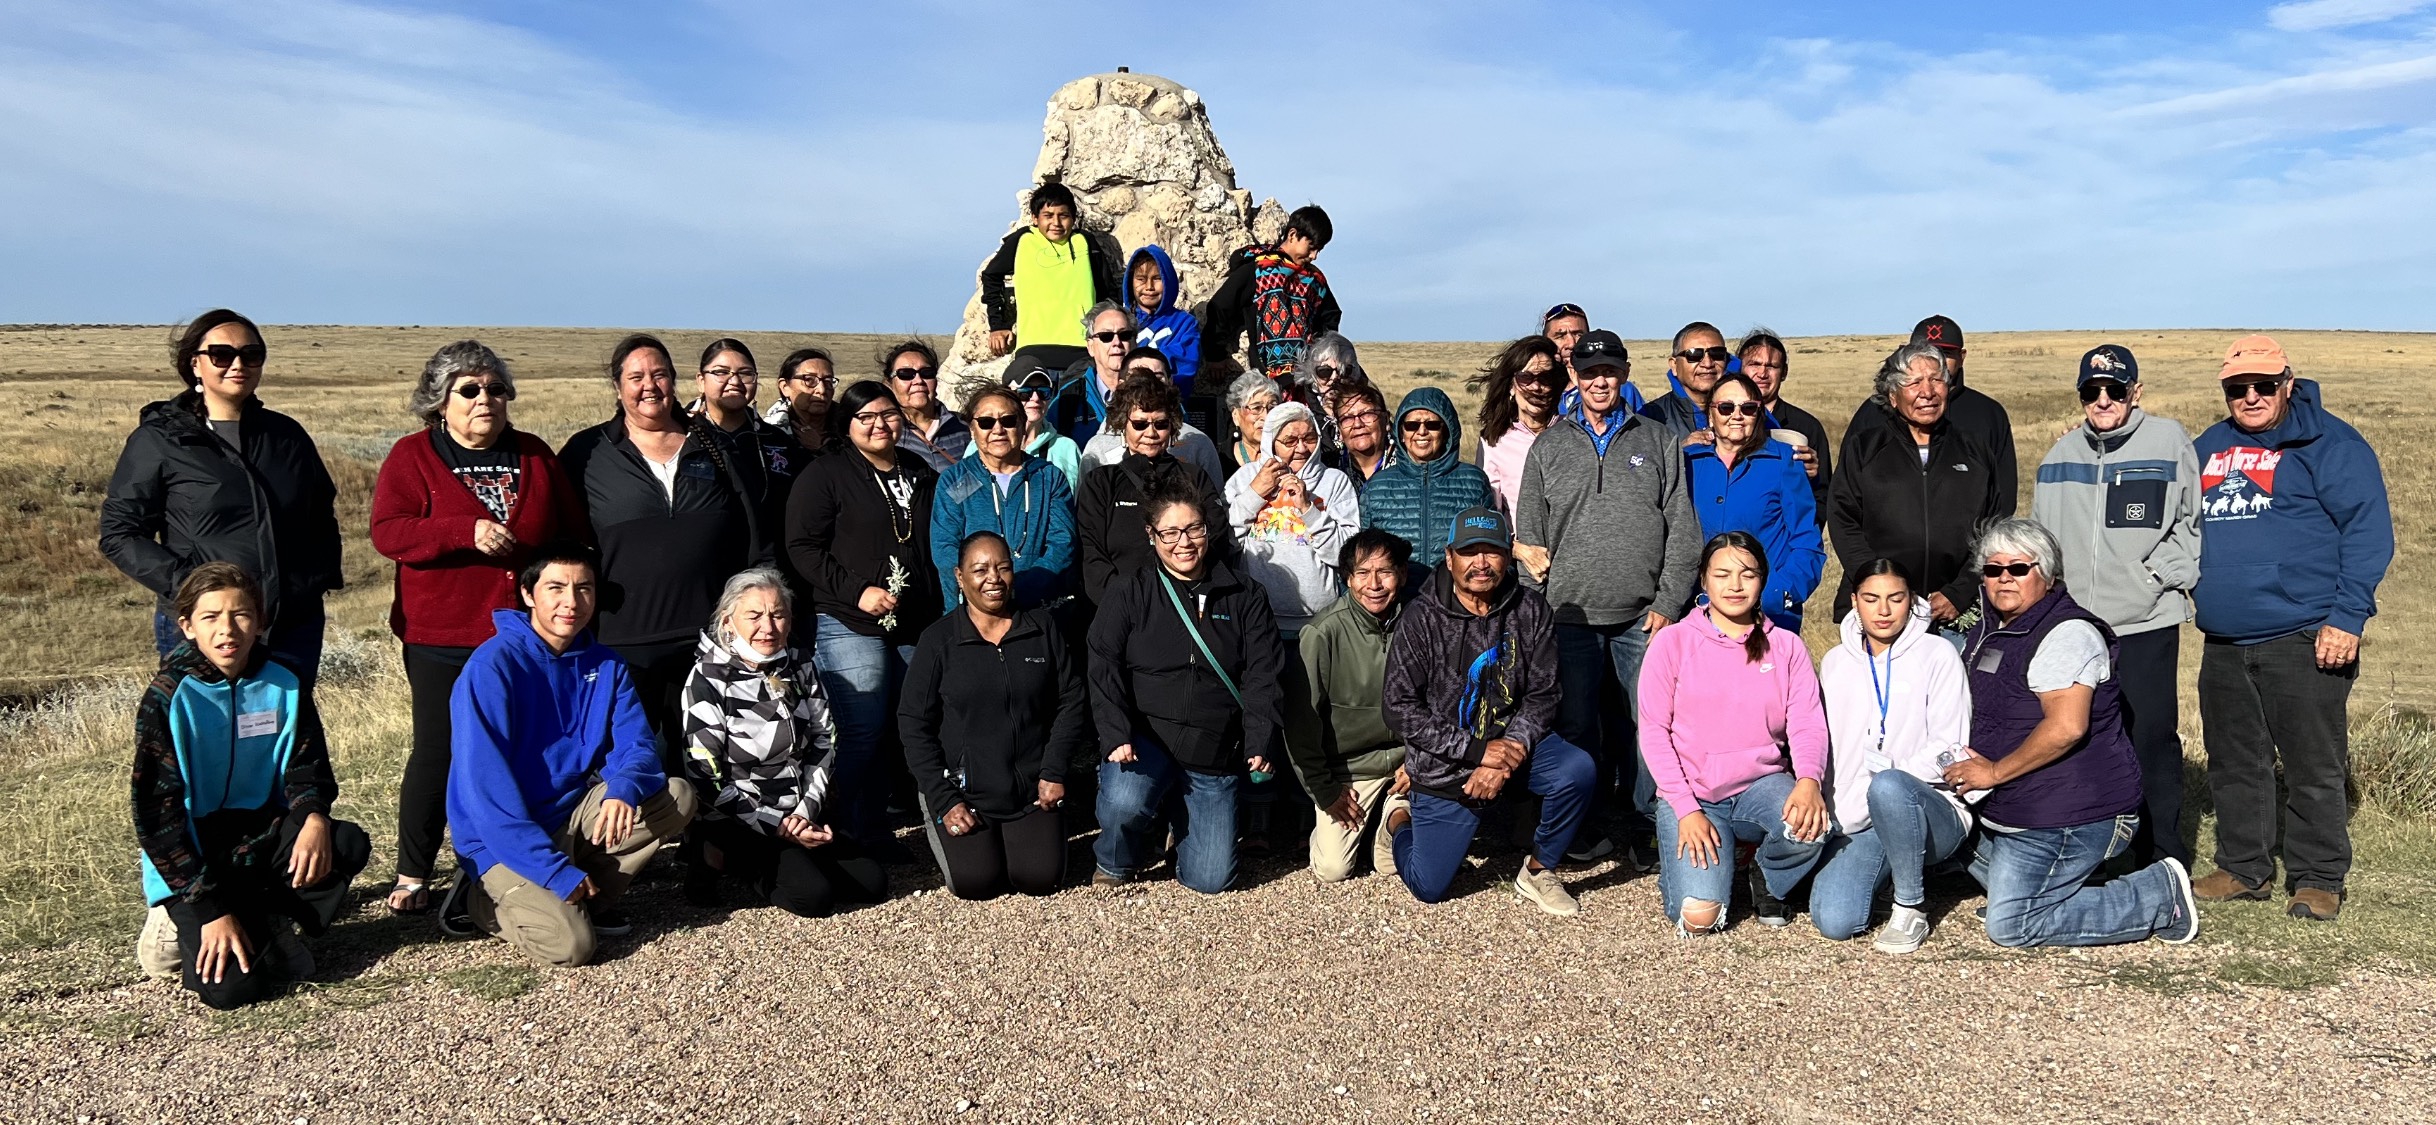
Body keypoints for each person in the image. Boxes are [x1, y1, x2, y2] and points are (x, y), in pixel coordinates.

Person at [370, 339, 584, 917]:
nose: (484, 399)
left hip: (522, 636)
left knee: (522, 749)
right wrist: (463, 530)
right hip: (443, 634)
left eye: (495, 389)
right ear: (440, 402)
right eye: (469, 390)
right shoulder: (413, 456)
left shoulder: (536, 456)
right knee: (439, 749)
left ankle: (514, 860)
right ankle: (414, 871)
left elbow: (571, 531)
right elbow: (389, 531)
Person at [2190, 335, 2393, 921]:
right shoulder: (2209, 446)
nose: (2249, 398)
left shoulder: (2332, 443)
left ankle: (2318, 877)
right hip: (2225, 638)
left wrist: (2347, 618)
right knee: (2235, 759)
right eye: (2236, 388)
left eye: (2261, 386)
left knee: (2312, 761)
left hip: (2306, 632)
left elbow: (2368, 532)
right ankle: (2244, 868)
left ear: (2287, 382)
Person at [1945, 519, 2199, 947]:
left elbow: (2066, 727)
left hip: (2074, 814)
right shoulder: (1989, 630)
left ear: (2047, 575)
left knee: (2012, 926)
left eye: (2019, 568)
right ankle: (2038, 892)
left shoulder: (2067, 635)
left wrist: (1992, 773)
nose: (2004, 577)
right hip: (2016, 806)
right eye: (1992, 569)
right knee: (1939, 826)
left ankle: (2159, 894)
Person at [446, 542, 700, 968]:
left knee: (676, 795)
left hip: (569, 815)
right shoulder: (492, 666)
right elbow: (485, 792)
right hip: (502, 836)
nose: (571, 601)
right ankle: (482, 901)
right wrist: (553, 871)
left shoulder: (607, 664)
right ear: (528, 594)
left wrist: (622, 787)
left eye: (584, 588)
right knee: (572, 948)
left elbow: (636, 745)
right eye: (556, 587)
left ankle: (585, 900)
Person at [132, 563, 370, 1009]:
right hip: (196, 855)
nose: (228, 630)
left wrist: (314, 816)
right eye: (210, 617)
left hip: (259, 835)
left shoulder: (284, 683)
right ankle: (173, 924)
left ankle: (267, 921)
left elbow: (308, 769)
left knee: (345, 842)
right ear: (187, 626)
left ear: (260, 621)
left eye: (241, 615)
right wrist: (209, 911)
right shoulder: (167, 696)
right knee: (235, 992)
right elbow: (156, 814)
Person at [1512, 327, 1702, 870]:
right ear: (1574, 375)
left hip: (1642, 619)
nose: (1599, 380)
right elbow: (1530, 538)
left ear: (1623, 375)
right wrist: (1538, 608)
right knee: (1575, 727)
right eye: (1589, 371)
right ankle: (1581, 826)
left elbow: (1682, 529)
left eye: (1610, 371)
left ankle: (1648, 825)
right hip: (1568, 617)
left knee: (1649, 726)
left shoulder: (1657, 440)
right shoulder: (1549, 446)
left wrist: (1668, 602)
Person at [101, 309, 343, 688]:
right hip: (208, 626)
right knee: (206, 735)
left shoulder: (286, 436)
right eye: (221, 355)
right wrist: (191, 586)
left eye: (251, 354)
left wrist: (310, 583)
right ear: (195, 365)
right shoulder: (161, 440)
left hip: (290, 624)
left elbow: (320, 515)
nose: (237, 365)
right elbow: (120, 533)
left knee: (287, 736)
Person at [558, 334, 766, 771]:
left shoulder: (710, 444)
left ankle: (702, 839)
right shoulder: (588, 451)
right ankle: (627, 838)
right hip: (622, 638)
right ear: (618, 387)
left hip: (708, 635)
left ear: (674, 381)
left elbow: (750, 531)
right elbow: (560, 537)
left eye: (659, 374)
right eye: (636, 377)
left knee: (706, 757)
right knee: (621, 755)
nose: (649, 386)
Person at [2030, 344, 2203, 868]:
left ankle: (2162, 858)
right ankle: (2099, 856)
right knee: (2084, 740)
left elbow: (2189, 525)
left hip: (2147, 621)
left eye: (2115, 389)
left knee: (2149, 739)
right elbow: (2041, 543)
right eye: (2092, 391)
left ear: (2136, 391)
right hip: (2079, 629)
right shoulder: (2059, 458)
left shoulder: (2169, 441)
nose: (2103, 400)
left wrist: (2155, 579)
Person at [1381, 507, 1595, 914]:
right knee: (1429, 886)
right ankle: (1397, 820)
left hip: (1512, 750)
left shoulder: (1531, 610)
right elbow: (1399, 707)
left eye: (1492, 551)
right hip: (1447, 763)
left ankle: (1538, 868)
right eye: (1469, 552)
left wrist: (1505, 751)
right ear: (1449, 558)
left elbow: (1544, 694)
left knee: (1576, 769)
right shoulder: (1420, 618)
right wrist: (1477, 752)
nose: (1481, 563)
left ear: (1508, 556)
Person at [1087, 480, 1287, 893]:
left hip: (1212, 746)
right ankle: (1116, 858)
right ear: (1151, 535)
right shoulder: (1129, 591)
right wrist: (1115, 732)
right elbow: (1103, 662)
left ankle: (1180, 825)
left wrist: (1258, 740)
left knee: (1212, 879)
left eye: (1194, 529)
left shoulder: (1245, 595)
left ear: (1208, 529)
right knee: (1125, 801)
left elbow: (1262, 675)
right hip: (1146, 739)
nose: (1184, 543)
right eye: (1171, 533)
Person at [1638, 532, 1830, 934]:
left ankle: (1765, 871)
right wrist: (1686, 809)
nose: (1735, 585)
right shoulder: (1672, 643)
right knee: (1700, 918)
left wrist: (1809, 779)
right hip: (1693, 794)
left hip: (1761, 785)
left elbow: (1807, 721)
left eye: (1748, 574)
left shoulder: (1787, 646)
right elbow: (1654, 732)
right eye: (1722, 574)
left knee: (1811, 830)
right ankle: (1693, 869)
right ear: (1704, 582)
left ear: (1763, 580)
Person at [786, 380, 943, 861]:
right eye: (866, 417)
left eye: (888, 414)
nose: (879, 425)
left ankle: (877, 832)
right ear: (847, 423)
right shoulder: (825, 474)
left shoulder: (918, 469)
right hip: (848, 619)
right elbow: (802, 548)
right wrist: (858, 590)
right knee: (861, 727)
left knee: (906, 725)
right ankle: (838, 827)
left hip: (914, 620)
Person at [679, 568, 885, 917]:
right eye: (754, 616)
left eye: (778, 614)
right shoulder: (707, 678)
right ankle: (719, 855)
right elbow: (704, 775)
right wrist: (777, 825)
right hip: (743, 814)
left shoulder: (798, 662)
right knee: (814, 898)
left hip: (799, 809)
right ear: (728, 621)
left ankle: (796, 853)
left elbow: (825, 737)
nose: (768, 627)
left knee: (872, 883)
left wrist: (805, 811)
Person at [901, 532, 1090, 899]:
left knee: (1040, 879)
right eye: (980, 569)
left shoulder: (1042, 628)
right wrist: (944, 797)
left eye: (1003, 568)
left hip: (1032, 792)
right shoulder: (938, 642)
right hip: (965, 793)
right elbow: (913, 723)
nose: (994, 578)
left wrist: (1053, 771)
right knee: (977, 884)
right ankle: (939, 815)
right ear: (959, 576)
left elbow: (1072, 699)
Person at [1805, 559, 1973, 951]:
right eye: (1871, 599)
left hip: (1928, 809)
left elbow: (1951, 748)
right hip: (1858, 816)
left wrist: (1879, 786)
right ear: (1854, 601)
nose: (1883, 610)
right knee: (1834, 919)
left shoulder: (1938, 654)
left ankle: (1910, 904)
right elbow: (1829, 748)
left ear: (1911, 601)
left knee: (1888, 786)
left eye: (1895, 599)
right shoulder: (1835, 663)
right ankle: (1885, 875)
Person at [1827, 340, 2007, 629]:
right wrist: (1878, 585)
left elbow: (1993, 529)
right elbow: (1843, 518)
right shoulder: (1865, 448)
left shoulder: (1975, 451)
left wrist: (1960, 592)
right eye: (1914, 382)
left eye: (1937, 380)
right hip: (1880, 608)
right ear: (1893, 395)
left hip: (1955, 611)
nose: (1928, 392)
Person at [1286, 529, 1413, 882]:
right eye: (1362, 573)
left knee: (1394, 866)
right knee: (1333, 869)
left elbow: (1441, 702)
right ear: (1347, 579)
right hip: (1349, 768)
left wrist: (1422, 761)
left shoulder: (1421, 623)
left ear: (1402, 574)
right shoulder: (1322, 633)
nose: (1374, 584)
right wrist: (1325, 791)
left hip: (1407, 762)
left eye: (1385, 572)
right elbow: (1300, 725)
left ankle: (1391, 816)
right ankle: (1364, 825)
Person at [1074, 372, 1230, 608]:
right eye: (1139, 424)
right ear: (1122, 425)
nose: (1151, 433)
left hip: (1185, 606)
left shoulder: (1193, 477)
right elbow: (1091, 554)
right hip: (1120, 611)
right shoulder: (1101, 482)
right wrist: (1123, 607)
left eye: (1160, 424)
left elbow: (1215, 538)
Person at [1684, 373, 1823, 631]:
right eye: (1726, 407)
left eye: (1748, 408)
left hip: (1766, 617)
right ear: (1710, 415)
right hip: (1698, 616)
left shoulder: (1785, 461)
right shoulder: (1686, 463)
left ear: (1758, 414)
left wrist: (1777, 593)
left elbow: (1807, 543)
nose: (1736, 415)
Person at [1841, 315, 2017, 517]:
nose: (1936, 360)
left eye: (1945, 353)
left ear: (1962, 357)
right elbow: (1846, 495)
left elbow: (2003, 494)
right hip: (1883, 546)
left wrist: (1986, 546)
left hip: (1971, 547)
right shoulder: (1875, 411)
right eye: (1925, 352)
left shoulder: (1988, 414)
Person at [931, 385, 1076, 611]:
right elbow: (945, 547)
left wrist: (1022, 587)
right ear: (972, 429)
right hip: (974, 610)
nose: (998, 429)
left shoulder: (1048, 477)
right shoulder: (959, 480)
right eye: (986, 422)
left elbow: (1062, 543)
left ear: (1021, 425)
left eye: (1008, 420)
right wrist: (981, 592)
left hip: (1037, 607)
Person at [1225, 401, 1361, 634]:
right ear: (1271, 443)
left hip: (1320, 620)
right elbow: (1226, 542)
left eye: (1309, 439)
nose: (1301, 448)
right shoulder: (1245, 478)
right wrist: (1255, 494)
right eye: (1289, 441)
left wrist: (1308, 509)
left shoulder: (1334, 482)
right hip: (1256, 616)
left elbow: (1345, 554)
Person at [980, 181, 1123, 372]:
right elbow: (991, 276)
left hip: (1083, 351)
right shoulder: (1023, 240)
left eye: (1063, 216)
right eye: (1048, 216)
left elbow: (1107, 292)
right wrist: (998, 325)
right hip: (1032, 352)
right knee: (1035, 402)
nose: (1056, 223)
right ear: (1034, 218)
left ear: (1073, 218)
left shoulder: (1085, 242)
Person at [1202, 204, 1342, 380]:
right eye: (1311, 247)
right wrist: (1215, 353)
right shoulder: (1260, 269)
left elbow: (1330, 317)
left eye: (1319, 250)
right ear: (1292, 235)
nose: (1314, 256)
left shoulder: (1315, 280)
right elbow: (1221, 305)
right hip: (1268, 377)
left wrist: (1321, 356)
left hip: (1306, 377)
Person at [1360, 387, 1492, 563]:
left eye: (1432, 425)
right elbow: (1362, 554)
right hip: (1400, 589)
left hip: (1453, 589)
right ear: (1401, 433)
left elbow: (1492, 543)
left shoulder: (1474, 481)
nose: (1422, 432)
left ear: (1446, 431)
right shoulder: (1376, 487)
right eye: (1412, 425)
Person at [1080, 344, 1227, 485]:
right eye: (1137, 378)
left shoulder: (1198, 443)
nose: (1149, 384)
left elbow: (1215, 502)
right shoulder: (1097, 447)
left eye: (1157, 377)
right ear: (1121, 386)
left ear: (1170, 382)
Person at [1734, 328, 1830, 514]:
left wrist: (1813, 476)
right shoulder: (1723, 419)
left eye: (1771, 366)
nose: (1762, 373)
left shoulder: (1806, 427)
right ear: (1739, 368)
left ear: (1784, 372)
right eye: (1754, 364)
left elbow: (1823, 496)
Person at [1471, 335, 1566, 516]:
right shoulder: (1494, 441)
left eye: (1545, 378)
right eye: (1525, 378)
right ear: (1511, 386)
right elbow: (1490, 516)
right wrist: (1514, 545)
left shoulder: (1573, 431)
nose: (1536, 386)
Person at [1047, 300, 1137, 447]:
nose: (1116, 342)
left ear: (1135, 343)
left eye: (1124, 335)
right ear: (1090, 347)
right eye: (1106, 336)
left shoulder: (1156, 392)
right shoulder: (1069, 399)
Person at [1126, 244, 1202, 400]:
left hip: (1168, 407)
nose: (1149, 287)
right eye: (1141, 279)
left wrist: (1137, 366)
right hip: (1127, 405)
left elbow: (1186, 366)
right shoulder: (1121, 321)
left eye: (1157, 279)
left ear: (1168, 280)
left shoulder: (1185, 324)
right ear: (1130, 281)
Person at [1542, 302, 1645, 416]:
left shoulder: (1620, 389)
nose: (1571, 344)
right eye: (1560, 336)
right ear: (1545, 342)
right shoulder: (1534, 389)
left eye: (1578, 334)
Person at [1001, 356, 1086, 491]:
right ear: (1006, 395)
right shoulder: (985, 444)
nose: (1035, 398)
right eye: (1025, 392)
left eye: (1043, 392)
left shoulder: (1067, 449)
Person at [1639, 321, 1729, 445]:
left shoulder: (1746, 411)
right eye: (1694, 355)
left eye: (1717, 353)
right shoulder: (1650, 418)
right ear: (1674, 365)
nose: (1707, 364)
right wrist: (1679, 452)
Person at [885, 340, 969, 472]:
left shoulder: (964, 426)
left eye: (926, 373)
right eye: (906, 374)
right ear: (889, 384)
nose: (918, 381)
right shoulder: (885, 432)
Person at [1291, 331, 1361, 463]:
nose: (1334, 378)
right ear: (1312, 375)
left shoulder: (1368, 411)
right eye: (1324, 371)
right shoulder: (1300, 414)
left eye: (1344, 371)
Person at [765, 346, 836, 448]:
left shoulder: (852, 424)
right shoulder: (768, 433)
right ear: (785, 387)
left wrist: (821, 448)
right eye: (809, 380)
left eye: (828, 381)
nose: (822, 390)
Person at [1220, 368, 1282, 479]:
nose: (1266, 416)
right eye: (1256, 408)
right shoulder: (1221, 459)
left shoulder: (1286, 454)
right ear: (1236, 416)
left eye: (1272, 408)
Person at [1330, 382, 1392, 491]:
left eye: (1366, 414)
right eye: (1347, 418)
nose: (1358, 424)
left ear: (1386, 419)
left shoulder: (1407, 465)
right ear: (1339, 429)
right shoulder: (1330, 469)